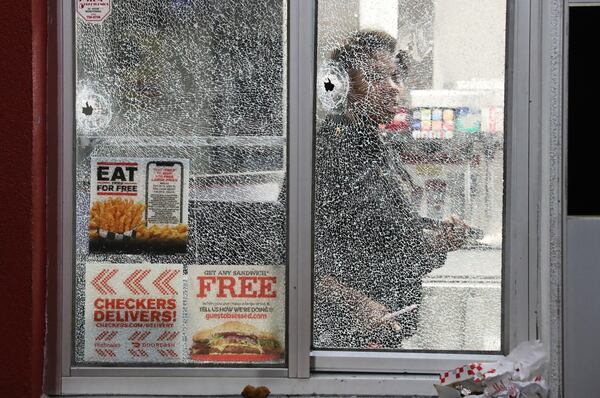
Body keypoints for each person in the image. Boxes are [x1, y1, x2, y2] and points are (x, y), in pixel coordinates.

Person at [313, 30, 467, 349]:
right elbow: (295, 256)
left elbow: (390, 245)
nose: (395, 88)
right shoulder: (326, 153)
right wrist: (357, 306)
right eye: (379, 77)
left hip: (384, 333)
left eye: (397, 77)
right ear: (344, 86)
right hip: (335, 342)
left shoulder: (377, 149)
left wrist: (439, 242)